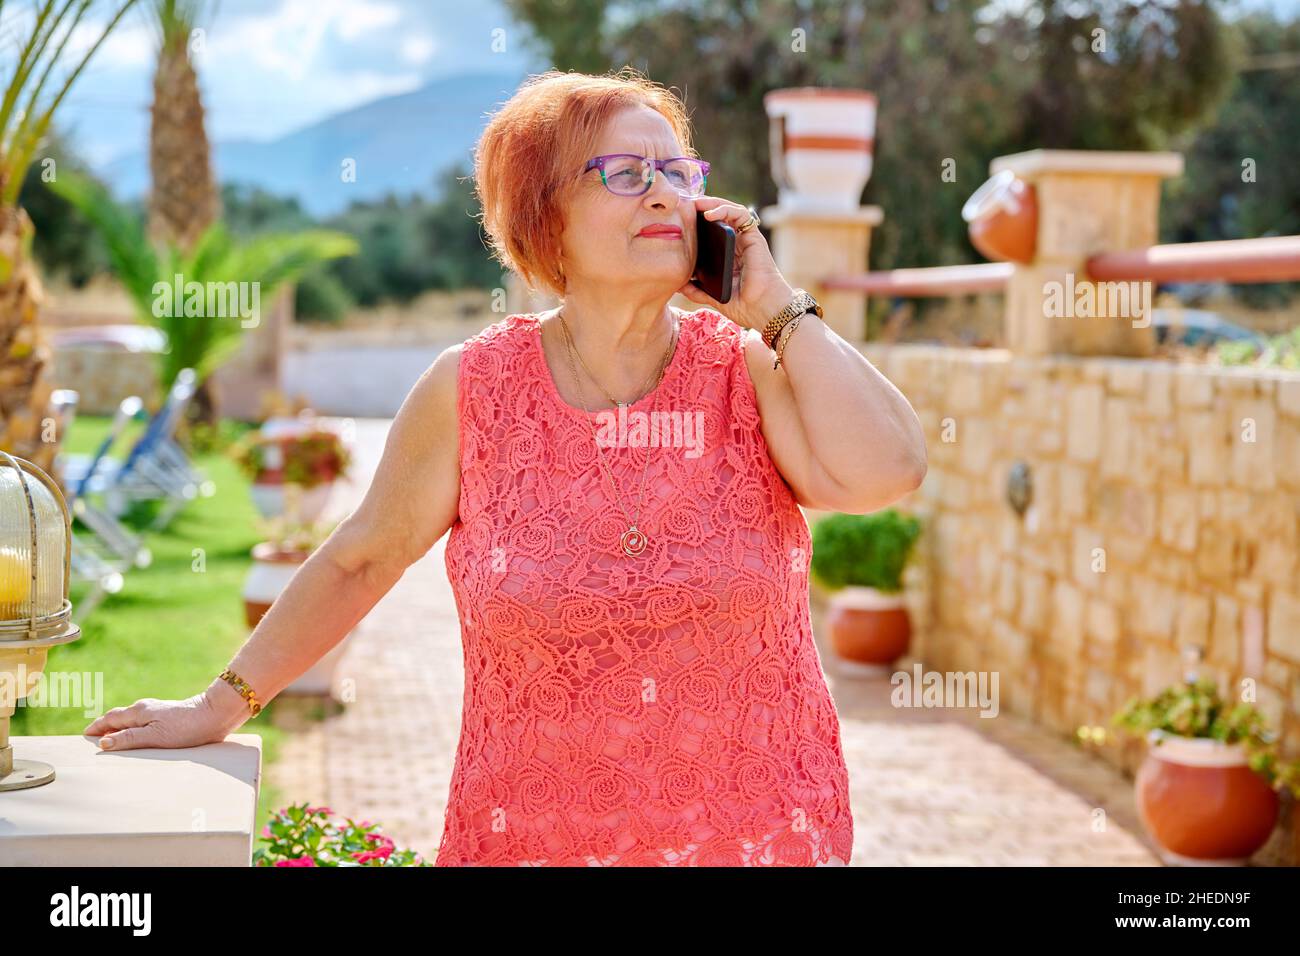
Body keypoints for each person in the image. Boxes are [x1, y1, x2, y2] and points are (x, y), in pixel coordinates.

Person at [83, 68, 927, 867]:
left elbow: (887, 470)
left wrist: (779, 307)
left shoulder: (748, 367)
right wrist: (218, 704)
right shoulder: (473, 390)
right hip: (530, 832)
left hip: (757, 834)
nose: (668, 191)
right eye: (627, 173)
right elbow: (361, 557)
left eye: (679, 169)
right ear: (544, 215)